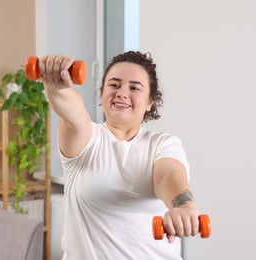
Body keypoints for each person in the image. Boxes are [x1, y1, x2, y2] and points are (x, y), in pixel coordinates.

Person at [39, 51, 201, 259]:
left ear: (150, 101)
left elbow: (168, 175)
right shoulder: (88, 139)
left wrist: (183, 207)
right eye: (114, 85)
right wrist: (58, 87)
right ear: (102, 93)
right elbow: (72, 112)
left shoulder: (162, 144)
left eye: (134, 88)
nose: (122, 93)